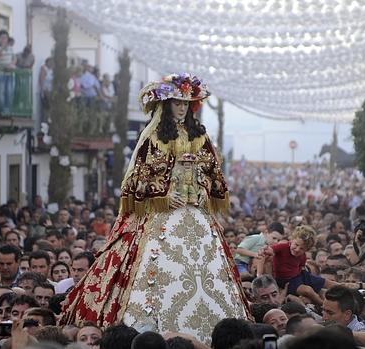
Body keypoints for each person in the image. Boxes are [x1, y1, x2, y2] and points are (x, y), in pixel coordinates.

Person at [60, 73, 250, 342]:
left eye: (187, 103)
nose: (182, 108)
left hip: (195, 212)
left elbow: (213, 173)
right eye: (177, 102)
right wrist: (162, 195)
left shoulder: (201, 136)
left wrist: (201, 192)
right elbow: (139, 178)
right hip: (162, 214)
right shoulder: (153, 138)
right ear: (166, 104)